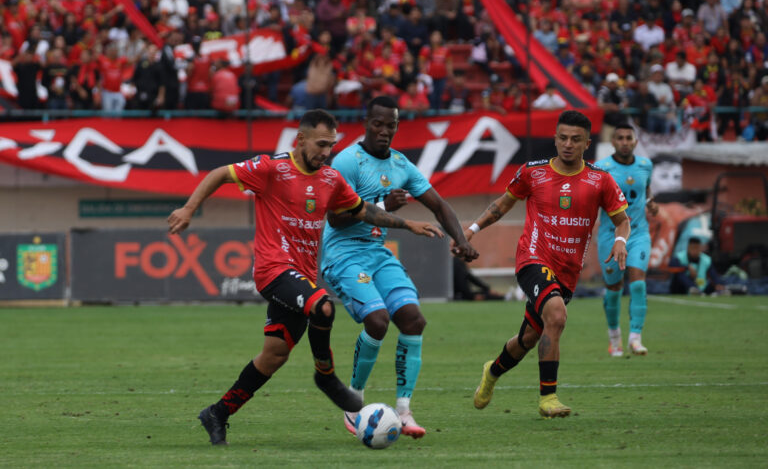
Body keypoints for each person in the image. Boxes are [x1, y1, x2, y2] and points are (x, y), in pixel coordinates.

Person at [167, 109, 443, 446]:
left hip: (302, 276)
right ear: (301, 140)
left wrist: (408, 224)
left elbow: (361, 210)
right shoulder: (272, 169)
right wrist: (188, 209)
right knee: (323, 308)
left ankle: (217, 413)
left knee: (274, 356)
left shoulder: (330, 179)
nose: (327, 152)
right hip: (273, 270)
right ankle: (327, 377)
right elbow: (218, 174)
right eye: (321, 144)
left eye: (332, 145)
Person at [320, 96, 478, 438]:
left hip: (376, 253)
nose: (384, 131)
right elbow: (335, 217)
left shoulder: (401, 165)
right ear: (366, 123)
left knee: (413, 319)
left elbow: (439, 205)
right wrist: (381, 204)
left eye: (390, 125)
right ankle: (353, 405)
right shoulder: (347, 161)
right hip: (343, 254)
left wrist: (461, 240)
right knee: (377, 320)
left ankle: (404, 411)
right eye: (378, 124)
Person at [465, 110, 630, 418]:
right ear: (555, 138)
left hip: (568, 271)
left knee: (528, 338)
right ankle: (548, 398)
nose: (567, 144)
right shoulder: (532, 172)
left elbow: (622, 221)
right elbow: (502, 205)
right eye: (563, 138)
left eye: (575, 139)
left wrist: (621, 241)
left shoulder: (601, 180)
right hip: (533, 258)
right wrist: (472, 231)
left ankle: (493, 371)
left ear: (587, 143)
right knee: (556, 314)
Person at [595, 123, 658, 357]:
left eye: (628, 137)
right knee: (613, 288)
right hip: (610, 236)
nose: (624, 141)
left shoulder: (645, 165)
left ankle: (635, 338)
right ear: (612, 142)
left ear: (635, 141)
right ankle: (615, 338)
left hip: (638, 232)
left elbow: (647, 190)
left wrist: (651, 202)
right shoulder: (602, 168)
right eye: (619, 138)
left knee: (638, 283)